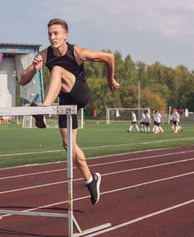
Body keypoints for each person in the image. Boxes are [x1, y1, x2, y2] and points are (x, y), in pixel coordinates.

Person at [20, 18, 120, 205]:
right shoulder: (45, 54)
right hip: (65, 102)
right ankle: (91, 179)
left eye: (56, 33)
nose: (52, 37)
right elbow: (22, 80)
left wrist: (110, 79)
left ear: (66, 36)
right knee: (68, 146)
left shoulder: (77, 52)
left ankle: (43, 111)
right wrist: (34, 69)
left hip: (80, 93)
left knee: (57, 69)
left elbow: (109, 57)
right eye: (49, 34)